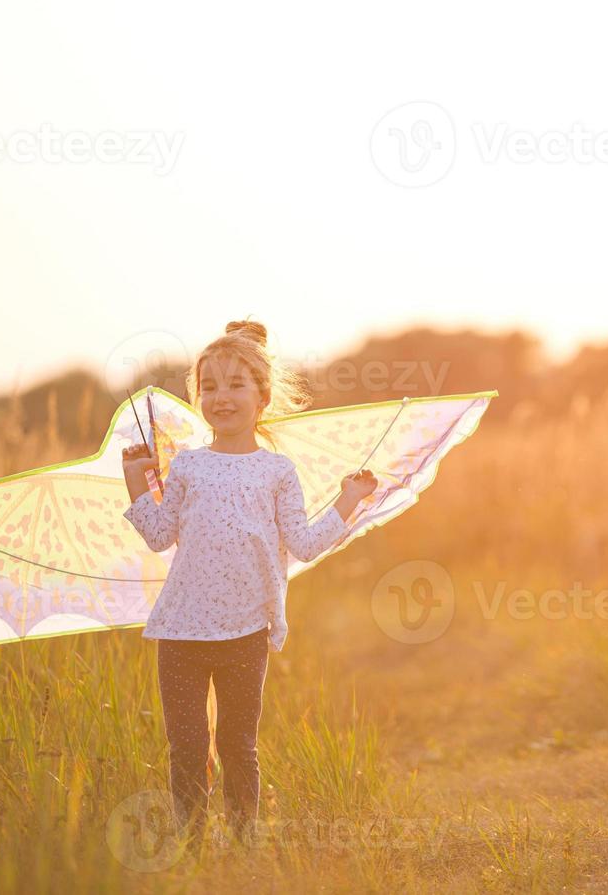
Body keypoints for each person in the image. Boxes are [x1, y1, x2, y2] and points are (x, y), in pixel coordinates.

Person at [120, 318, 377, 842]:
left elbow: (303, 543)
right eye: (209, 386)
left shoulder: (277, 471)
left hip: (245, 633)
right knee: (187, 744)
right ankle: (191, 842)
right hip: (181, 633)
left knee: (237, 742)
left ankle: (243, 841)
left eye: (236, 384)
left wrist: (348, 502)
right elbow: (159, 536)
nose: (221, 396)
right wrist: (138, 486)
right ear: (197, 398)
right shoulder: (188, 467)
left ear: (261, 396)